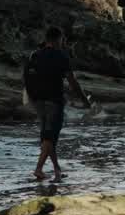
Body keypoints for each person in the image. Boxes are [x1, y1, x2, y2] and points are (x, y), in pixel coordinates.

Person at [23, 26, 92, 182]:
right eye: (62, 39)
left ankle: (57, 170)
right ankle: (39, 169)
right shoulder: (61, 56)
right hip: (54, 101)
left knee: (47, 136)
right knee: (50, 137)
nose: (63, 42)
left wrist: (32, 99)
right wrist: (85, 101)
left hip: (37, 101)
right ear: (58, 39)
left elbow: (26, 78)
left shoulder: (35, 55)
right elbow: (73, 82)